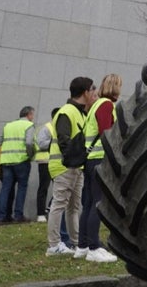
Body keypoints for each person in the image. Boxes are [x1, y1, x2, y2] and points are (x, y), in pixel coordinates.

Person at [46, 77, 96, 257]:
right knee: (59, 204)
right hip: (64, 166)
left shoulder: (80, 113)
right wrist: (74, 159)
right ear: (85, 92)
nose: (95, 93)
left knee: (74, 207)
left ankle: (75, 243)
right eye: (93, 89)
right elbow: (64, 141)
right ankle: (53, 245)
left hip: (75, 166)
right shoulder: (67, 112)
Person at [76, 74, 121, 263]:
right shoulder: (106, 105)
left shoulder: (95, 104)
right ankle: (94, 247)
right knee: (97, 203)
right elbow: (107, 133)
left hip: (90, 160)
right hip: (99, 160)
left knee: (88, 203)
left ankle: (83, 246)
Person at [0, 107, 35, 223]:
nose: (33, 117)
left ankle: (1, 216)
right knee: (22, 188)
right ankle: (18, 216)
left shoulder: (8, 125)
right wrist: (30, 155)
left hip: (6, 161)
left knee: (5, 188)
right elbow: (29, 142)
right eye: (33, 115)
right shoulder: (29, 126)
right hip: (21, 161)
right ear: (29, 115)